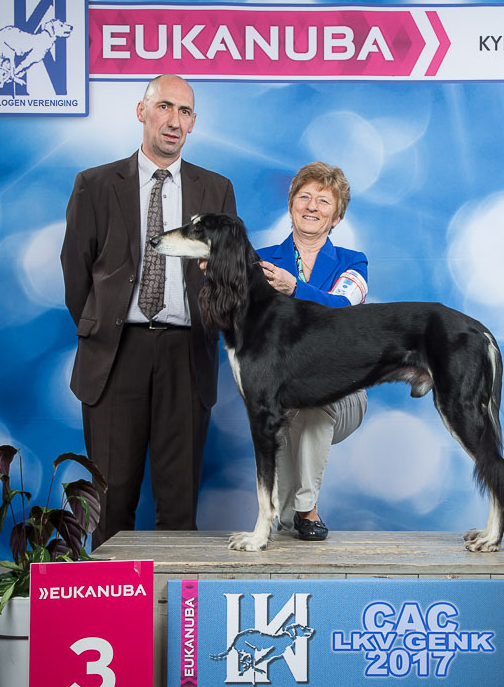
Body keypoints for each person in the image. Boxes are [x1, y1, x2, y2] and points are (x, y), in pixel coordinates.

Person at [61, 74, 237, 548]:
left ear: (193, 123)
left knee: (178, 502)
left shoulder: (216, 189)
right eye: (164, 107)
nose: (174, 120)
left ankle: (172, 598)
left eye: (185, 112)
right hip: (116, 353)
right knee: (110, 499)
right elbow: (76, 271)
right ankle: (110, 596)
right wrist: (102, 327)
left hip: (187, 354)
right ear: (142, 112)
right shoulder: (95, 184)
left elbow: (227, 275)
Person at [257, 162, 368, 541]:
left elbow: (343, 310)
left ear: (337, 217)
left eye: (323, 201)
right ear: (291, 205)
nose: (312, 206)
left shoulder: (354, 262)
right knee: (286, 412)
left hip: (343, 392)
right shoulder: (259, 259)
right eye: (304, 197)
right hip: (281, 389)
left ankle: (306, 508)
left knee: (313, 400)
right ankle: (292, 517)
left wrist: (294, 289)